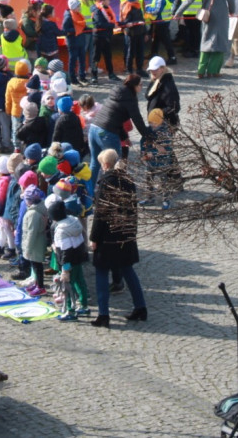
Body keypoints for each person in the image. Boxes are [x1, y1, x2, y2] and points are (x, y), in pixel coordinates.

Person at [90, 148, 147, 327]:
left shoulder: (106, 183)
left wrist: (94, 238)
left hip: (108, 236)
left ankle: (103, 314)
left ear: (105, 164)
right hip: (125, 233)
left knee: (101, 272)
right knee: (128, 270)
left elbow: (101, 214)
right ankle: (140, 307)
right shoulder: (128, 182)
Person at [173, 0, 236, 78]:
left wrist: (178, 13)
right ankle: (214, 71)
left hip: (207, 15)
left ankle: (201, 71)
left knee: (206, 40)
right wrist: (232, 11)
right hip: (222, 16)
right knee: (220, 42)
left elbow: (189, 0)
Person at [88, 74, 154, 174]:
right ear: (134, 86)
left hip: (93, 128)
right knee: (115, 165)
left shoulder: (118, 92)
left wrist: (124, 137)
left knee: (94, 163)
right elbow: (138, 120)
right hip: (107, 132)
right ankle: (113, 188)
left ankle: (91, 189)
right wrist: (149, 137)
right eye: (141, 84)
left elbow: (116, 119)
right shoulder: (130, 99)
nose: (142, 86)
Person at [140, 109, 179, 210]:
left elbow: (167, 149)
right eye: (150, 123)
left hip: (162, 162)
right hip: (150, 162)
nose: (152, 125)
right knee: (149, 179)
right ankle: (150, 197)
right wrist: (144, 152)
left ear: (160, 121)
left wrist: (153, 152)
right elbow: (143, 142)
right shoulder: (148, 130)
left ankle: (166, 200)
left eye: (154, 123)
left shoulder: (165, 133)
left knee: (163, 182)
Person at [145, 0, 177, 65]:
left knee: (165, 40)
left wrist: (148, 9)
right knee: (156, 38)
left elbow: (157, 10)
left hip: (160, 21)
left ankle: (172, 57)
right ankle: (153, 53)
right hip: (165, 20)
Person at [145, 56, 180, 127]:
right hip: (156, 122)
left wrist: (157, 113)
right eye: (151, 69)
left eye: (155, 69)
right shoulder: (156, 80)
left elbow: (174, 107)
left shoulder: (168, 86)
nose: (153, 71)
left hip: (164, 124)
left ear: (162, 69)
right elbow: (148, 96)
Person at [119, 0, 147, 75]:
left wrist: (145, 32)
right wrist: (136, 22)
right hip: (131, 34)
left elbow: (142, 19)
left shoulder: (137, 5)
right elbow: (125, 22)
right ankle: (129, 69)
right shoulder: (127, 7)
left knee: (140, 51)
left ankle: (139, 68)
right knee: (130, 52)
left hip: (140, 32)